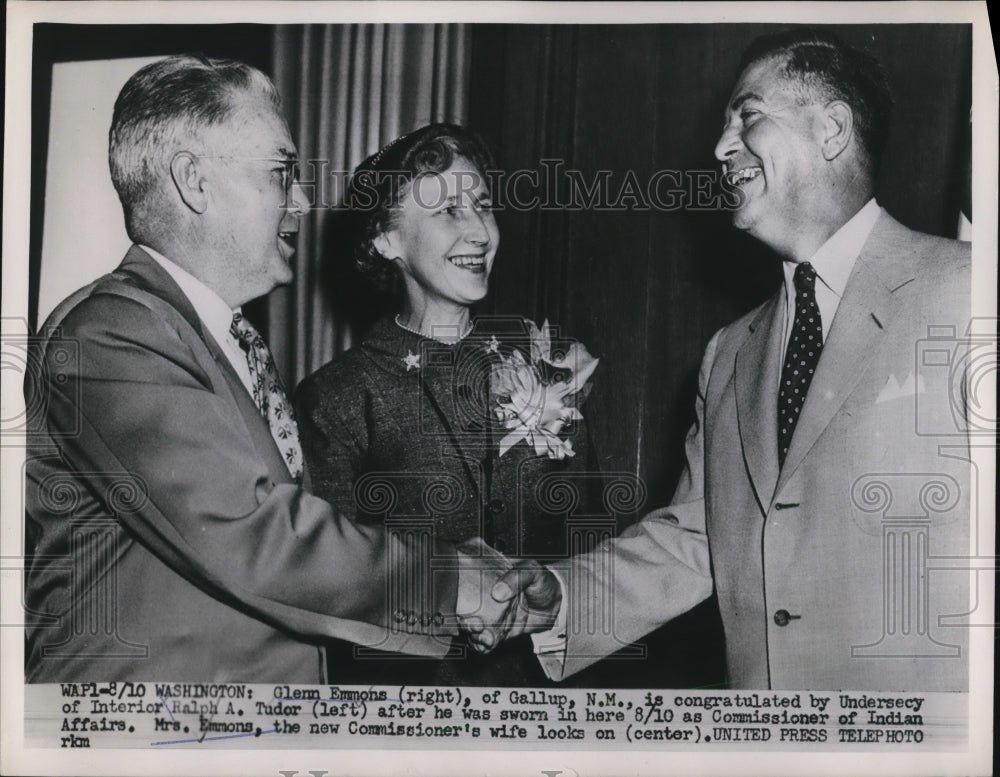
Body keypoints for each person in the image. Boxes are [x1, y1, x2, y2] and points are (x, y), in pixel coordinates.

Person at [474, 28, 972, 691]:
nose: (718, 148)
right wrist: (562, 599)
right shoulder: (729, 352)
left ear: (831, 129)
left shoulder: (969, 289)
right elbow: (700, 537)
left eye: (749, 114)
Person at [23, 56, 500, 683]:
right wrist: (453, 583)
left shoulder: (215, 338)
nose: (300, 203)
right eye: (281, 173)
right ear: (194, 182)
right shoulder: (112, 333)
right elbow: (251, 532)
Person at [294, 123, 599, 686]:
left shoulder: (554, 370)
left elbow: (596, 544)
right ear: (386, 241)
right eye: (447, 211)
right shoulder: (336, 398)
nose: (479, 231)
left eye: (482, 205)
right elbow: (324, 583)